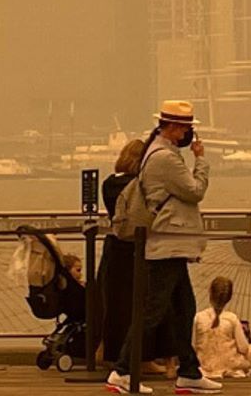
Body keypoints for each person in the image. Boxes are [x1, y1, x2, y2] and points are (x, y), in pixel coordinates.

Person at [106, 100, 222, 395]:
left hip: (171, 243)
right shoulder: (165, 158)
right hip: (166, 243)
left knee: (184, 308)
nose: (187, 134)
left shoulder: (157, 152)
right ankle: (122, 370)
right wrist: (201, 161)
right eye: (185, 128)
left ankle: (189, 371)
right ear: (172, 127)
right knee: (153, 310)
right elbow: (195, 191)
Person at [96, 139, 158, 368]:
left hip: (114, 246)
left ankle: (113, 353)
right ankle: (142, 357)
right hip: (136, 247)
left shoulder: (108, 184)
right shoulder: (139, 185)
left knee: (115, 306)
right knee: (140, 303)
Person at [192, 277, 251, 378]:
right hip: (231, 363)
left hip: (204, 364)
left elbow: (193, 345)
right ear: (229, 297)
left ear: (210, 292)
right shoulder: (231, 318)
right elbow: (243, 348)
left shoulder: (198, 317)